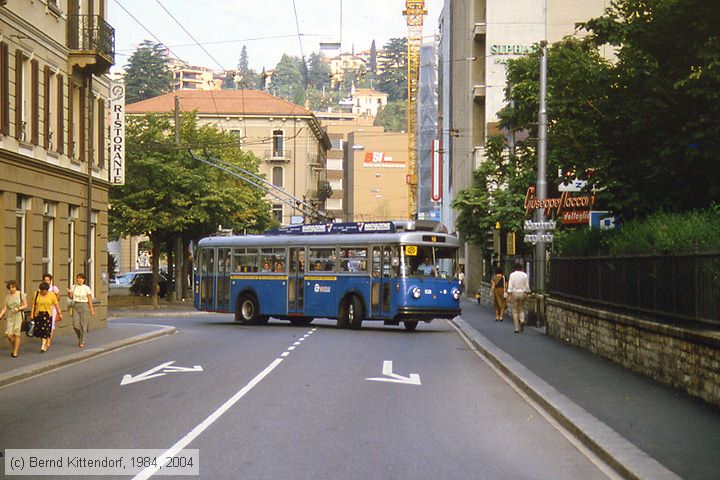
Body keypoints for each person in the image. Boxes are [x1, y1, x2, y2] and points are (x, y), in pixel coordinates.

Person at [0, 280, 28, 358]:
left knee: (17, 334)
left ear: (16, 287)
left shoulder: (21, 294)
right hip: (10, 315)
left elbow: (26, 305)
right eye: (10, 288)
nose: (11, 289)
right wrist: (1, 315)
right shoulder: (7, 297)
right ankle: (15, 346)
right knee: (9, 334)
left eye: (13, 287)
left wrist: (19, 308)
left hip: (18, 315)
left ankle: (15, 351)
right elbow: (5, 308)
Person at [32, 282, 61, 352]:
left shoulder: (51, 295)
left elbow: (56, 304)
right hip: (38, 314)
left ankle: (43, 345)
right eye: (41, 290)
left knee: (46, 330)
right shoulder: (36, 294)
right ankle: (44, 343)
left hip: (47, 314)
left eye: (44, 291)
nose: (42, 292)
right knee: (40, 330)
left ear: (47, 290)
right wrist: (31, 313)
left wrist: (59, 313)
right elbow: (33, 304)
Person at [67, 273, 94, 348]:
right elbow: (71, 297)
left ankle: (82, 341)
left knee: (83, 325)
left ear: (83, 280)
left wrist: (91, 309)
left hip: (84, 305)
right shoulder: (74, 287)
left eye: (80, 278)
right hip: (75, 305)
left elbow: (89, 299)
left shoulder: (86, 288)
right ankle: (80, 337)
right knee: (75, 324)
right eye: (78, 278)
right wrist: (69, 293)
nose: (79, 280)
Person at [507, 262, 531, 333]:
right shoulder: (525, 275)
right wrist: (527, 292)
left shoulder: (512, 275)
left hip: (514, 292)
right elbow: (527, 286)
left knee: (515, 310)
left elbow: (510, 286)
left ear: (514, 268)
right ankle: (522, 320)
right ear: (521, 268)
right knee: (521, 309)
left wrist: (509, 294)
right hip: (522, 293)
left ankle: (516, 328)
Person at [42, 273, 61, 348]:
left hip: (52, 309)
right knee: (44, 325)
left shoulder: (54, 288)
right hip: (44, 309)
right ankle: (44, 339)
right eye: (45, 280)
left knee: (51, 324)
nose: (47, 281)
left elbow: (58, 299)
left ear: (50, 281)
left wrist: (55, 295)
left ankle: (48, 340)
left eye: (48, 280)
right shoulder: (41, 289)